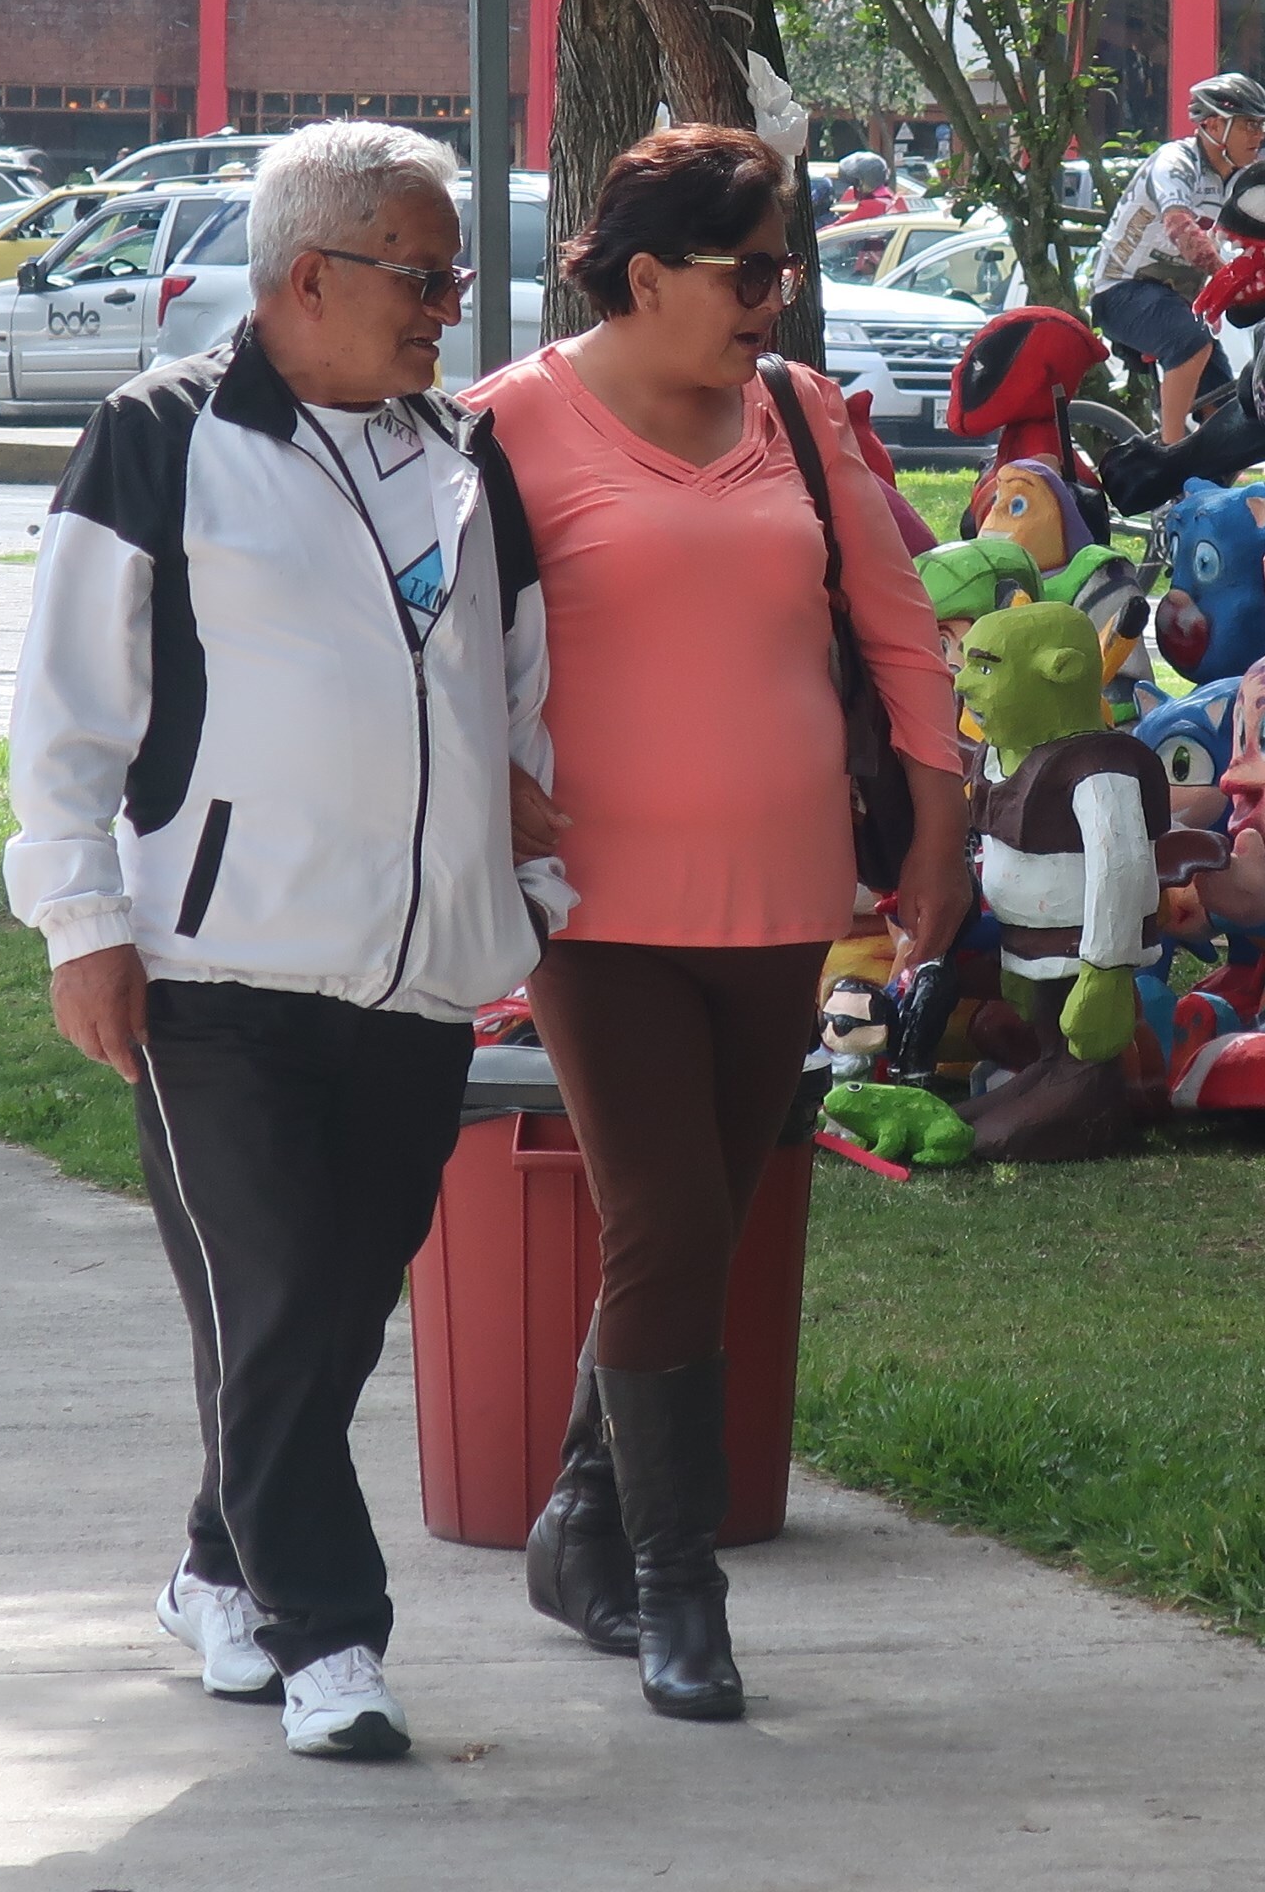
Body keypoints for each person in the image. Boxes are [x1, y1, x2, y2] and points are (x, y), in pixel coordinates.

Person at [5, 120, 571, 1761]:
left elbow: (509, 680)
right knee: (273, 1300)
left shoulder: (462, 452)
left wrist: (514, 859)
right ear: (308, 274)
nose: (450, 304)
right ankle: (334, 1638)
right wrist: (81, 920)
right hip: (210, 973)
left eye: (457, 271)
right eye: (425, 269)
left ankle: (211, 1565)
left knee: (324, 1311)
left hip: (410, 976)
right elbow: (66, 714)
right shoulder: (160, 437)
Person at [470, 125, 969, 1722]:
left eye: (787, 268)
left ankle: (583, 1518)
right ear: (643, 273)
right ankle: (680, 1588)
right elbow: (424, 651)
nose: (779, 297)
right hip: (595, 912)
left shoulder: (804, 422)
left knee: (706, 1223)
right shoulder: (501, 428)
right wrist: (481, 774)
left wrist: (942, 830)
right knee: (669, 1223)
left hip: (786, 904)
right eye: (751, 269)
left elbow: (901, 644)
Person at [1090, 72, 1265, 441]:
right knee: (1192, 344)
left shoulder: (1242, 178)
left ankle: (1208, 485)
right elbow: (1180, 226)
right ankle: (1170, 448)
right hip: (1121, 291)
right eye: (1249, 124)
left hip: (1174, 300)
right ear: (1212, 125)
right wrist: (1228, 277)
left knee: (1232, 420)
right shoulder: (1176, 160)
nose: (1258, 134)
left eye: (1262, 126)